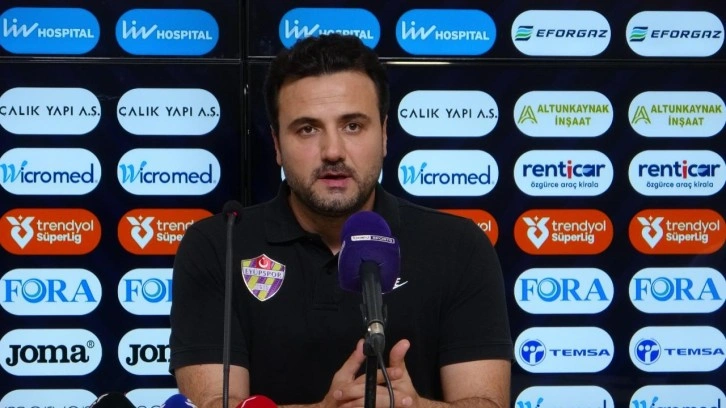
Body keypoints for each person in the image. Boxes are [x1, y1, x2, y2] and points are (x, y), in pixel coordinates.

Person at [169, 34, 512, 408]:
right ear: (277, 145)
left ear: (384, 135)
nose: (332, 151)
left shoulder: (459, 245)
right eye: (307, 129)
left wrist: (413, 406)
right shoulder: (218, 245)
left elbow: (487, 403)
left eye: (353, 126)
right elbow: (214, 402)